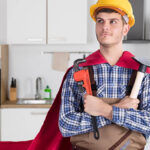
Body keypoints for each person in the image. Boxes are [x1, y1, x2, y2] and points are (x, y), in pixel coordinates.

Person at [59, 0, 150, 149]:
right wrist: (116, 109)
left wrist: (107, 110)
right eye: (100, 21)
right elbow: (66, 125)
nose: (105, 27)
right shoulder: (78, 72)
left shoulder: (143, 73)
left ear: (125, 29)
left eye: (113, 21)